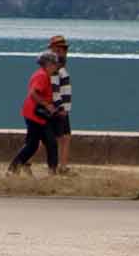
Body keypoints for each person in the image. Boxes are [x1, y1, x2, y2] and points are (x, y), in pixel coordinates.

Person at [7, 50, 62, 175]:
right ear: (48, 64)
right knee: (49, 143)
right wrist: (47, 105)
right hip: (36, 115)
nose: (56, 66)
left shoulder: (43, 75)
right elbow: (33, 93)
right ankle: (52, 171)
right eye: (54, 64)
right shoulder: (42, 76)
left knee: (33, 144)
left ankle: (14, 168)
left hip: (35, 114)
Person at [48, 34, 74, 174]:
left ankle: (62, 167)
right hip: (60, 109)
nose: (61, 53)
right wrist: (60, 108)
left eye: (62, 50)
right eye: (57, 50)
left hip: (64, 109)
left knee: (66, 137)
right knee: (53, 139)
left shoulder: (61, 67)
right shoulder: (55, 69)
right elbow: (55, 90)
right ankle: (25, 160)